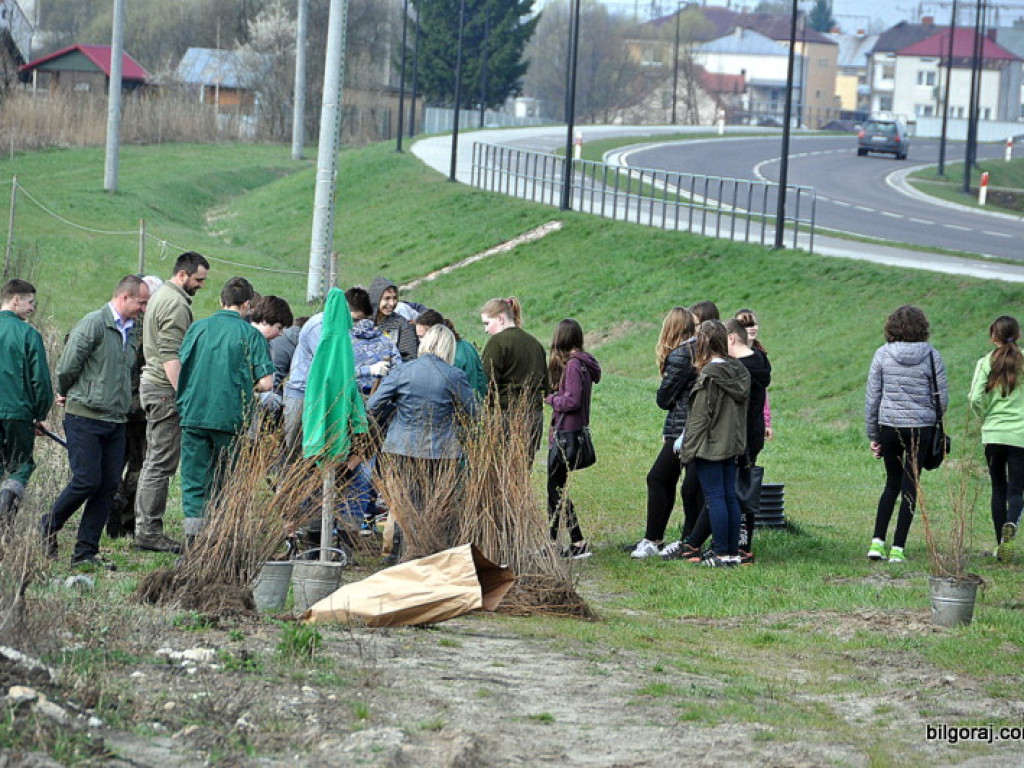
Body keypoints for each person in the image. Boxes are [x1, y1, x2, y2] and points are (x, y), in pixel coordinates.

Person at [41, 275, 150, 569]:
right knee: (87, 480)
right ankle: (48, 526)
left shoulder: (133, 332)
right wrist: (69, 393)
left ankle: (85, 553)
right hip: (85, 416)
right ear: (125, 297)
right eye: (141, 302)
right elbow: (66, 367)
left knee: (107, 486)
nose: (144, 308)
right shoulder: (93, 324)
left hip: (117, 419)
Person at [176, 277, 274, 542]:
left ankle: (193, 541)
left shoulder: (198, 328)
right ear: (247, 305)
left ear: (221, 301)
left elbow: (180, 365)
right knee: (225, 481)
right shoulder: (250, 334)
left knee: (194, 479)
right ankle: (219, 540)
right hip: (230, 419)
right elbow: (266, 382)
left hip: (194, 414)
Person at [367, 325, 477, 558]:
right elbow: (475, 414)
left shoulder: (402, 372)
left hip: (402, 447)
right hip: (441, 451)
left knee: (402, 504)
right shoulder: (454, 375)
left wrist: (396, 409)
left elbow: (373, 405)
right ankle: (430, 555)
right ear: (448, 347)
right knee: (435, 506)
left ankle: (397, 555)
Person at [134, 251, 209, 554]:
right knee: (160, 464)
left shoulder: (161, 294)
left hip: (153, 386)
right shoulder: (176, 304)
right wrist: (185, 395)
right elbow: (170, 356)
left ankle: (144, 527)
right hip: (164, 389)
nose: (201, 285)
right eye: (199, 279)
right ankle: (148, 531)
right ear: (183, 275)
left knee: (154, 461)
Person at [865, 305, 948, 564]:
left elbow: (872, 398)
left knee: (891, 482)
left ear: (892, 327)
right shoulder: (932, 356)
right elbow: (941, 398)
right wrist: (932, 420)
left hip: (889, 425)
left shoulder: (882, 354)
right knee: (910, 485)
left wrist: (873, 434)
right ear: (922, 327)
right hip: (921, 427)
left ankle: (877, 542)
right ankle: (898, 548)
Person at [678, 320, 750, 567]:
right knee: (729, 496)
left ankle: (720, 553)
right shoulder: (738, 371)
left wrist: (686, 451)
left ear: (704, 344)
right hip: (731, 444)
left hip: (710, 447)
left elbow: (699, 419)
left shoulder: (710, 376)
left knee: (716, 499)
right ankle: (731, 553)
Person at [632, 308, 697, 559]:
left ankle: (654, 539)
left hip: (682, 427)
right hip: (684, 424)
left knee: (658, 478)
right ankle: (658, 538)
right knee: (672, 480)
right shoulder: (696, 350)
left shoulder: (681, 355)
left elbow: (664, 398)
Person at [108, 274, 164, 540]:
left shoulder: (116, 322)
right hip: (136, 407)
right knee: (137, 464)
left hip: (123, 406)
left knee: (120, 463)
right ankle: (123, 514)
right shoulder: (147, 328)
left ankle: (117, 511)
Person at [968, 315, 1024, 562]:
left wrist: (985, 418)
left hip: (993, 434)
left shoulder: (985, 362)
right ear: (1018, 335)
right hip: (1020, 435)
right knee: (1016, 491)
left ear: (993, 337)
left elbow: (974, 398)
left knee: (997, 488)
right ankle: (1011, 526)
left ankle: (999, 545)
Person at [545, 319, 601, 559]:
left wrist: (550, 398)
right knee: (556, 489)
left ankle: (572, 542)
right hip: (571, 431)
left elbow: (572, 400)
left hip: (566, 432)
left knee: (555, 489)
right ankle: (564, 541)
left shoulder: (573, 366)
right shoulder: (583, 364)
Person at [0, 279, 53, 526]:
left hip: (14, 410)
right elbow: (40, 380)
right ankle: (4, 520)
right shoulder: (28, 334)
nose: (32, 308)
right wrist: (40, 414)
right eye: (30, 302)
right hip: (17, 413)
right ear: (16, 300)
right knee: (20, 465)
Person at [480, 297, 548, 457]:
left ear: (501, 319)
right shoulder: (535, 343)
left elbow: (487, 383)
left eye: (487, 323)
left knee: (502, 476)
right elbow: (546, 384)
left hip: (506, 420)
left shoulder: (497, 343)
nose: (486, 330)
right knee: (523, 473)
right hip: (533, 418)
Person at [414, 309, 487, 399]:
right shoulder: (467, 345)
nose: (421, 342)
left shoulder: (449, 356)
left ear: (437, 333)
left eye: (423, 337)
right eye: (418, 337)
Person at [347, 287, 400, 395]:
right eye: (356, 321)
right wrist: (369, 370)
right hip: (382, 400)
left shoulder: (342, 342)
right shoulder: (385, 341)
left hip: (352, 402)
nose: (360, 325)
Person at [736, 308, 773, 441]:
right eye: (745, 325)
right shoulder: (731, 357)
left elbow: (763, 391)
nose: (751, 328)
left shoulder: (761, 356)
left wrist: (766, 421)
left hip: (755, 420)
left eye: (754, 324)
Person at [368, 277, 418, 362]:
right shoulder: (362, 323)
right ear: (376, 299)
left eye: (394, 298)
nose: (392, 303)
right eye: (387, 298)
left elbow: (410, 358)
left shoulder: (401, 324)